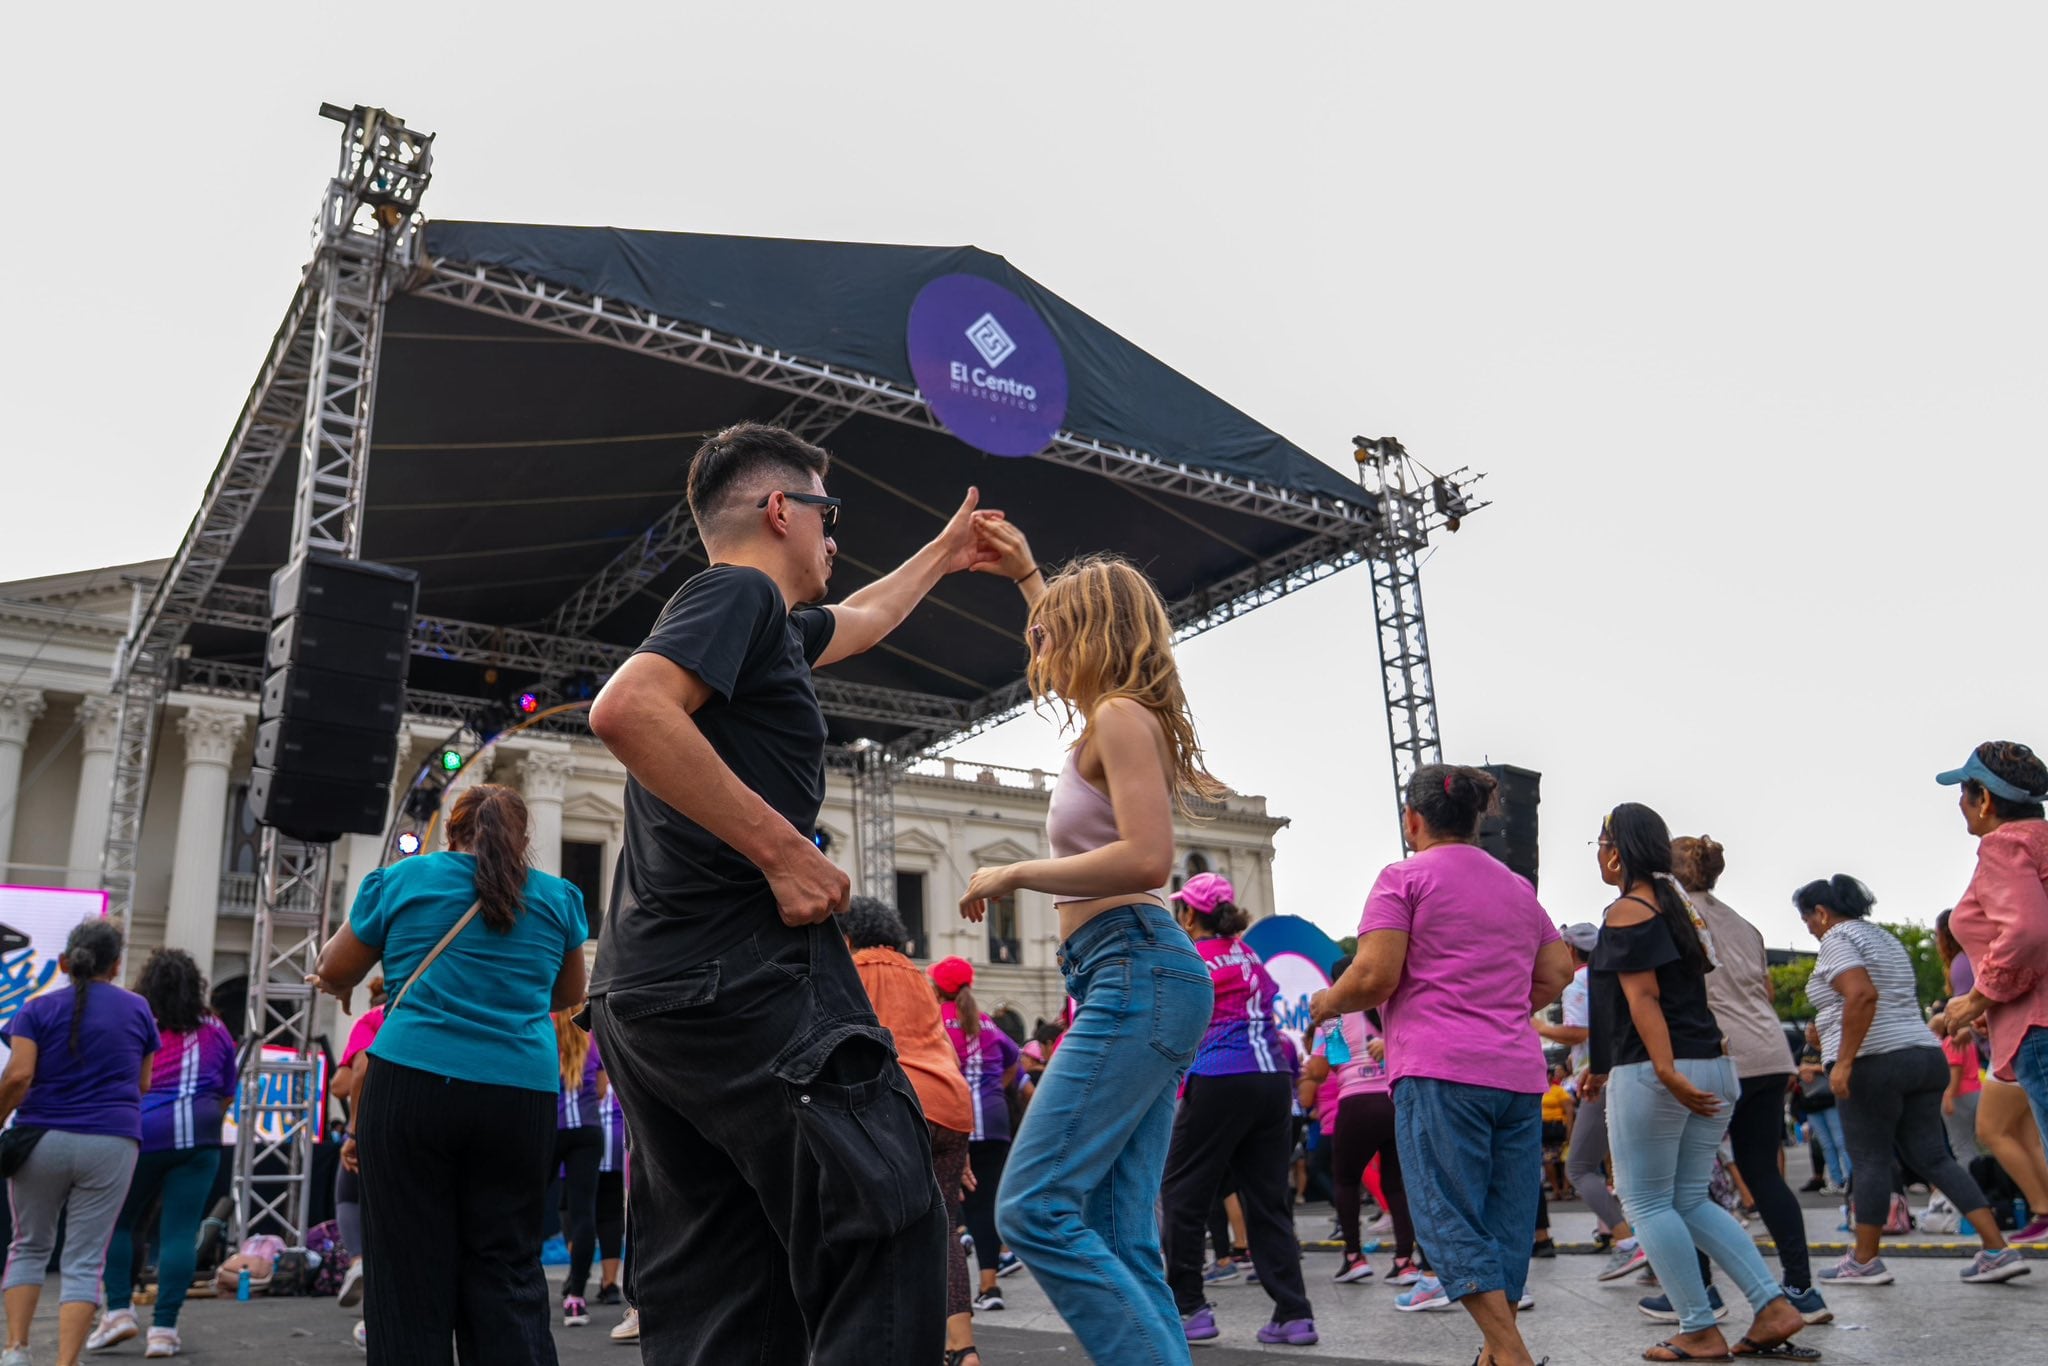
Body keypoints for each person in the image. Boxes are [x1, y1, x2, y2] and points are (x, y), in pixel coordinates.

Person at [586, 422, 1013, 1366]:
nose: (835, 538)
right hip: (737, 974)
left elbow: (861, 618)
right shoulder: (737, 592)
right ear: (780, 510)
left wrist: (944, 554)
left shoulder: (763, 627)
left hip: (652, 990)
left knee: (728, 1279)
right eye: (829, 515)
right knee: (891, 1214)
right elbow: (626, 707)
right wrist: (784, 850)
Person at [966, 552, 1220, 1364]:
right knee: (1118, 1230)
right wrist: (1027, 576)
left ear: (1089, 634)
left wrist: (1014, 873)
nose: (1037, 644)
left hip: (1136, 967)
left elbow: (1149, 859)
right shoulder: (1111, 713)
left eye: (1052, 630)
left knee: (1033, 1206)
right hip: (1130, 973)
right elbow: (1058, 635)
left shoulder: (1118, 716)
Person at [310, 781, 591, 1365]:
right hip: (519, 1093)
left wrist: (341, 984)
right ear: (523, 839)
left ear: (451, 829)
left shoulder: (403, 880)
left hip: (412, 1082)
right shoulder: (559, 899)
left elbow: (333, 965)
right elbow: (568, 995)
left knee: (407, 1269)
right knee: (509, 1264)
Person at [1311, 764, 1573, 1366]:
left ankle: (1511, 1353)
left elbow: (1375, 976)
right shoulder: (1515, 887)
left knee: (1442, 1214)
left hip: (1440, 1069)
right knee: (1505, 1222)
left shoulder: (1402, 878)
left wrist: (1326, 1002)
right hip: (1516, 1073)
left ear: (1413, 819)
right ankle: (1494, 1353)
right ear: (1477, 820)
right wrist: (1502, 1002)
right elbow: (1558, 973)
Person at [1585, 805, 1808, 1363]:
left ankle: (1698, 1328)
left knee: (1645, 1202)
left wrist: (1663, 1071)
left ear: (1618, 849)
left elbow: (1643, 999)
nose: (1598, 852)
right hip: (1714, 1062)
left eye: (1601, 841)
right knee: (1688, 1198)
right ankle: (1772, 1306)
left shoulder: (1628, 911)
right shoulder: (1681, 908)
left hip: (1663, 1070)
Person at [1793, 874, 2027, 1286]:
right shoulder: (1882, 938)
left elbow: (1862, 995)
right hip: (1922, 1055)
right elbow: (1875, 999)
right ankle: (1996, 1248)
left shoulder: (1837, 938)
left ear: (1822, 913)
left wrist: (1843, 1061)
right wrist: (1824, 1028)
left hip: (1874, 1061)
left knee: (1868, 1159)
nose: (1809, 929)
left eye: (1808, 920)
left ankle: (1864, 1261)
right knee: (1935, 1157)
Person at [1670, 835, 1831, 1325]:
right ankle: (1802, 1287)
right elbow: (1761, 990)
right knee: (1762, 1170)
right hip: (1768, 1050)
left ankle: (1702, 1291)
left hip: (1719, 1053)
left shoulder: (1674, 918)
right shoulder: (1744, 924)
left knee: (1685, 1182)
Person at [1160, 872, 1316, 1345]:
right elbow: (1267, 1000)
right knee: (1267, 1200)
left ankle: (1190, 1309)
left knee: (1183, 1193)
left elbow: (1176, 1022)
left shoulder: (1193, 956)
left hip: (1220, 1076)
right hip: (1273, 1081)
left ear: (1190, 914)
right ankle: (1294, 1314)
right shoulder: (1250, 955)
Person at [0, 919, 156, 1366]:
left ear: (66, 961)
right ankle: (66, 1362)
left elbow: (19, 1075)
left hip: (40, 1139)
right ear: (116, 963)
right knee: (86, 1258)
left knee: (28, 1245)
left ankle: (15, 1349)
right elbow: (143, 1083)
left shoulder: (34, 1009)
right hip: (111, 1142)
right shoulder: (138, 1009)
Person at [846, 901, 981, 1366]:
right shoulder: (921, 979)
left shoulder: (853, 970)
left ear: (847, 936)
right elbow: (944, 1050)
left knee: (871, 1226)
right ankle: (964, 1350)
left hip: (899, 1104)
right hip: (952, 1108)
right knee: (941, 1230)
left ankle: (886, 1344)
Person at [91, 948, 238, 1358]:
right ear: (197, 986)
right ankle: (164, 1331)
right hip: (201, 1134)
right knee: (179, 1232)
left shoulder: (137, 1019)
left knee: (116, 1222)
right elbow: (228, 1089)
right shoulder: (215, 1026)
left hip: (142, 1132)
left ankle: (118, 1310)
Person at [1937, 743, 2048, 1184]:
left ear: (1983, 798)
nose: (1960, 804)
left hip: (2039, 1027)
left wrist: (1977, 1000)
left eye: (1964, 793)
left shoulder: (2005, 845)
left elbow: (2028, 932)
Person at [1541, 923, 1648, 1282]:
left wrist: (1536, 1027)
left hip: (1599, 1080)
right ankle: (1658, 1252)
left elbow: (1581, 1031)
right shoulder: (1617, 976)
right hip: (1635, 1074)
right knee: (1633, 1171)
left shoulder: (1579, 981)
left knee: (1580, 1167)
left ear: (1570, 950)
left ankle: (1625, 1240)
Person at [1933, 912, 2048, 1239]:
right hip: (2019, 1042)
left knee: (1991, 1130)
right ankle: (2041, 1210)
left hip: (2008, 1048)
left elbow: (1974, 1006)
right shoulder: (1989, 954)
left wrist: (1952, 1022)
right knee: (2028, 1138)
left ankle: (2041, 1210)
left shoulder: (1961, 962)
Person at [929, 957, 1020, 1315]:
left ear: (936, 987)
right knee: (986, 1203)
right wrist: (996, 1088)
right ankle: (989, 1286)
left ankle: (950, 1297)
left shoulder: (934, 1020)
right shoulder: (988, 1023)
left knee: (949, 1207)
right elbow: (1015, 1061)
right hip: (995, 1121)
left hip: (952, 1120)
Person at [1306, 1002, 1417, 1286]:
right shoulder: (1389, 1005)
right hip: (1395, 1100)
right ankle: (1405, 1262)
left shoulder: (1334, 1014)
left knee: (1346, 1181)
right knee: (1396, 1183)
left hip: (1356, 1102)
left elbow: (1321, 1070)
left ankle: (1354, 1257)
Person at [549, 1012, 604, 1327]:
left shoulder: (547, 1033)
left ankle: (518, 1285)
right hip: (587, 1131)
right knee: (585, 1211)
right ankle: (577, 1299)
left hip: (552, 1130)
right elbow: (599, 1091)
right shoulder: (591, 1041)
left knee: (537, 1204)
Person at [1539, 1065, 1575, 1200]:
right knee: (1548, 1160)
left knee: (1565, 1159)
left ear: (1549, 1076)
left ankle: (1566, 1189)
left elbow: (1569, 1112)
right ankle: (1556, 1189)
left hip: (1558, 1127)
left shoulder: (1559, 1091)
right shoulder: (1539, 1091)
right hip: (1544, 1128)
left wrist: (1569, 1131)